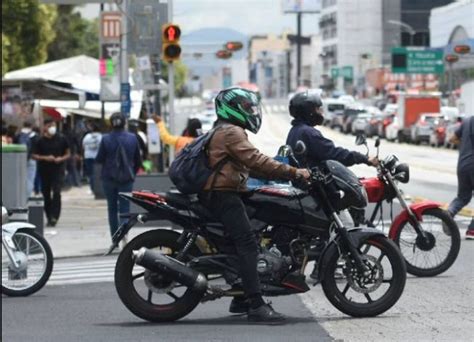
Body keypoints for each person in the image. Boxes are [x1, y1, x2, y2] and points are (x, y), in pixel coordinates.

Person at [198, 87, 310, 324]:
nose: (251, 112)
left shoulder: (226, 130)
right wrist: (293, 172)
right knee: (248, 243)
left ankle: (240, 296)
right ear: (234, 109)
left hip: (226, 191)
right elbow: (256, 159)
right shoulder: (231, 132)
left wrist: (282, 172)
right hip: (223, 195)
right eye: (248, 108)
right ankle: (256, 305)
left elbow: (252, 164)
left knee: (253, 233)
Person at [286, 91, 378, 168]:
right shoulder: (308, 133)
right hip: (312, 186)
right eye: (318, 109)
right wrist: (362, 158)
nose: (321, 113)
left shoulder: (294, 131)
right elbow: (333, 154)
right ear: (309, 111)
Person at [95, 112, 142, 243]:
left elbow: (99, 158)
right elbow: (138, 159)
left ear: (111, 123)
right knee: (125, 208)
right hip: (127, 178)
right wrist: (132, 172)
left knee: (112, 208)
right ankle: (124, 234)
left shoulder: (105, 139)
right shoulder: (133, 138)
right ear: (124, 123)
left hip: (108, 178)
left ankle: (115, 238)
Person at [31, 118, 70, 227]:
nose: (52, 128)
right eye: (49, 126)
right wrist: (45, 158)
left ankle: (55, 216)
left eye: (53, 125)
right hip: (44, 170)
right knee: (46, 194)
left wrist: (61, 159)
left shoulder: (61, 139)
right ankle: (49, 216)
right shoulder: (39, 141)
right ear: (45, 127)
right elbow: (34, 155)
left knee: (57, 192)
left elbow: (68, 153)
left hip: (58, 169)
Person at [447, 115, 474, 239]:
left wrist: (464, 147)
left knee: (463, 197)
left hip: (462, 165)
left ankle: (449, 213)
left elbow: (452, 139)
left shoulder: (467, 121)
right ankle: (472, 230)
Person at [14, 120, 40, 197]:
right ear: (31, 126)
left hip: (19, 160)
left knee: (19, 179)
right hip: (32, 159)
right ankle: (26, 197)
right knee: (30, 179)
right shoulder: (35, 136)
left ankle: (19, 196)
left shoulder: (18, 135)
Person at [81, 122, 102, 194]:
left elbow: (83, 146)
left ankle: (92, 188)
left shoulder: (87, 136)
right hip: (98, 157)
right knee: (98, 174)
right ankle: (97, 188)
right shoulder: (101, 137)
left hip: (88, 156)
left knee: (90, 174)